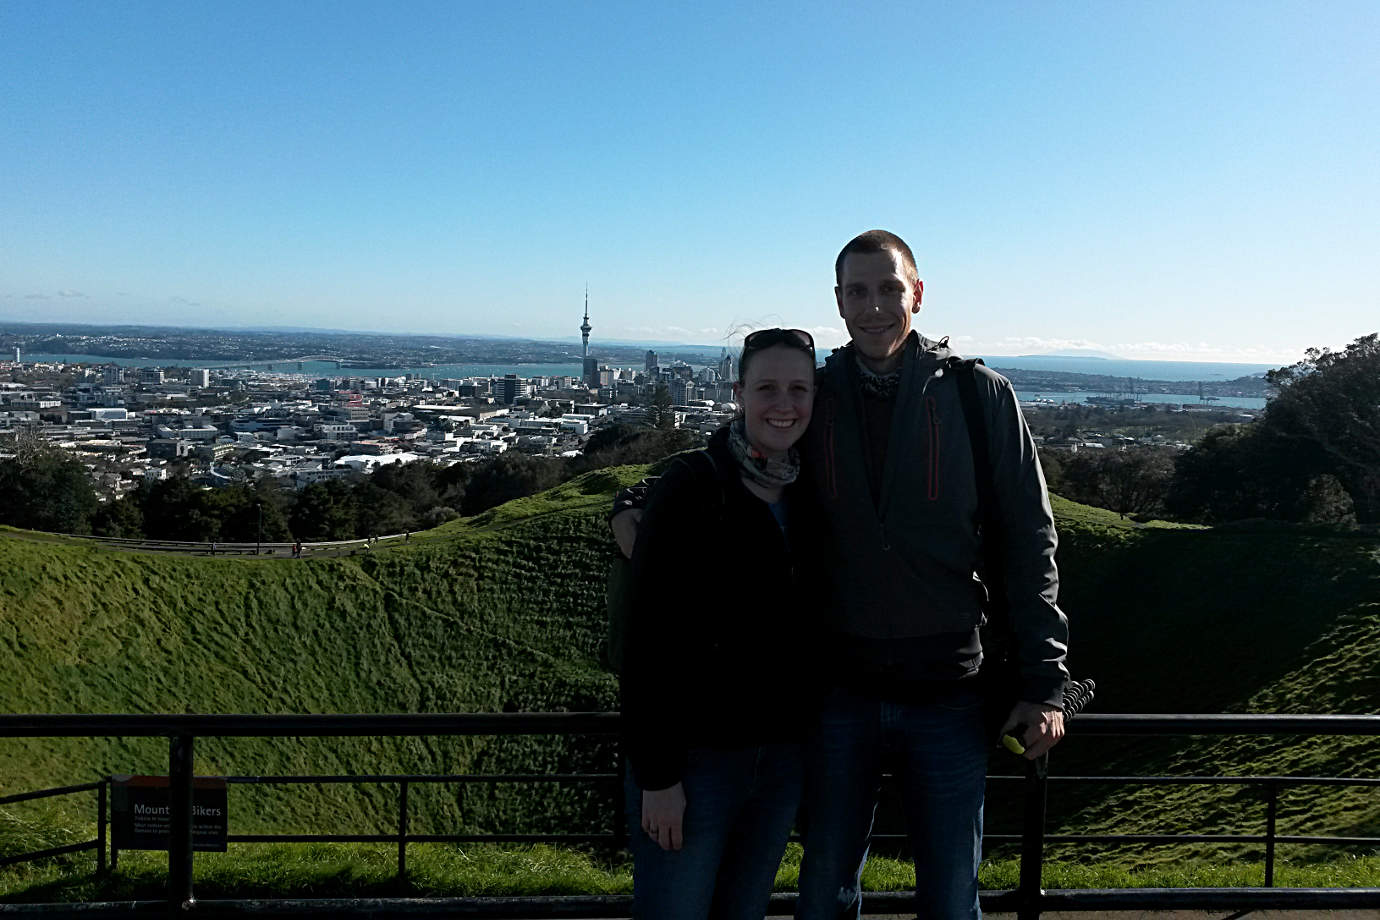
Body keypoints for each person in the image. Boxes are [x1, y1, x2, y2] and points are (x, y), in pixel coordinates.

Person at [613, 230, 1069, 920]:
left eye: (889, 288)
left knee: (951, 894)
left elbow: (1031, 539)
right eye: (858, 291)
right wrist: (632, 510)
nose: (875, 305)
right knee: (824, 890)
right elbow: (745, 451)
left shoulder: (979, 397)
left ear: (917, 293)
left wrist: (1045, 679)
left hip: (948, 689)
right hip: (836, 695)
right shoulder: (818, 398)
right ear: (839, 301)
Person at [621, 328, 824, 920]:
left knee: (744, 912)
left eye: (797, 389)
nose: (782, 404)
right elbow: (647, 637)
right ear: (738, 392)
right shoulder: (692, 486)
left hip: (780, 757)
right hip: (695, 760)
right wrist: (659, 777)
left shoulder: (811, 491)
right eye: (766, 387)